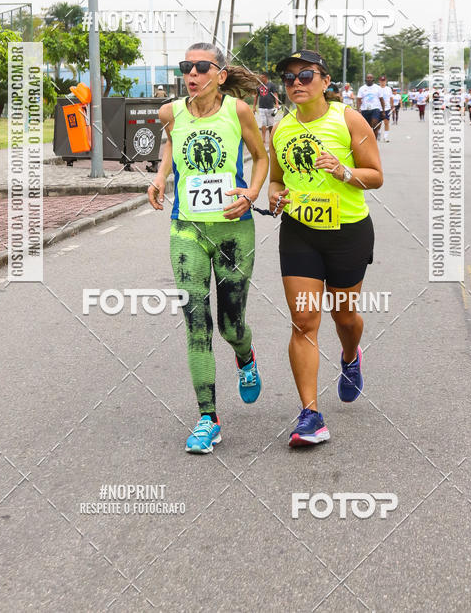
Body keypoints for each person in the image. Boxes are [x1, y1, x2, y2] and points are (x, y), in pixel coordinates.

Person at [147, 43, 269, 453]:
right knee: (195, 321)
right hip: (187, 229)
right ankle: (207, 418)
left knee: (230, 324)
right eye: (187, 67)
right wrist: (161, 177)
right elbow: (169, 145)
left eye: (201, 67)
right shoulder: (171, 112)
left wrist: (251, 194)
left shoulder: (238, 111)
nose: (192, 74)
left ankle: (245, 355)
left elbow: (260, 156)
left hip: (234, 230)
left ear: (219, 74)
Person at [268, 50, 383, 447]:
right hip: (299, 232)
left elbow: (376, 176)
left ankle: (350, 357)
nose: (297, 83)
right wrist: (275, 197)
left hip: (348, 232)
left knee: (345, 317)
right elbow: (277, 180)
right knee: (304, 323)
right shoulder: (280, 129)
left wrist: (343, 171)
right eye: (289, 78)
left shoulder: (347, 118)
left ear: (325, 80)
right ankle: (310, 415)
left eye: (306, 75)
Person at [252, 72, 279, 146]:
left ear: (266, 77)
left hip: (270, 107)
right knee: (263, 123)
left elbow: (275, 94)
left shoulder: (271, 85)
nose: (261, 78)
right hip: (261, 107)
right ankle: (263, 138)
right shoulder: (259, 86)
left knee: (270, 124)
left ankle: (271, 137)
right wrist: (254, 107)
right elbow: (256, 96)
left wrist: (277, 103)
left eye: (262, 77)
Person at [356, 73, 384, 140]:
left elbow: (381, 100)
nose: (369, 79)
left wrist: (383, 110)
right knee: (366, 128)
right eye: (368, 78)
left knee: (374, 124)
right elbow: (358, 100)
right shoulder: (362, 88)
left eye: (370, 78)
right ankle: (368, 142)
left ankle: (374, 141)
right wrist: (358, 110)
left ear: (373, 79)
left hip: (375, 109)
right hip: (365, 109)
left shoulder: (378, 88)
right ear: (365, 79)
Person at [377, 75, 394, 142]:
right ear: (379, 81)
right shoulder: (377, 88)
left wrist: (392, 105)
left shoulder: (388, 89)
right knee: (378, 123)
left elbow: (391, 97)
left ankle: (385, 137)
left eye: (384, 81)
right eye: (381, 81)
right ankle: (379, 133)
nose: (382, 82)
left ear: (386, 81)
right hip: (378, 107)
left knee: (386, 122)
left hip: (387, 108)